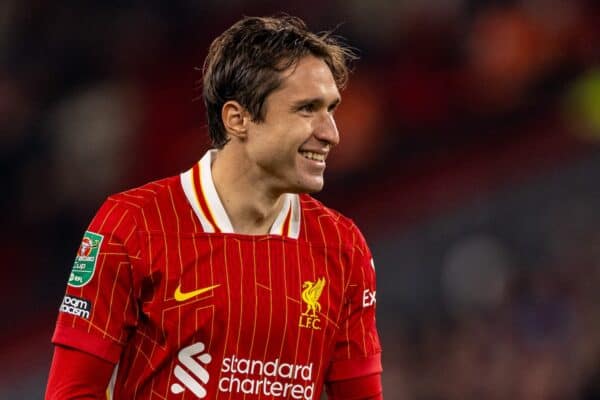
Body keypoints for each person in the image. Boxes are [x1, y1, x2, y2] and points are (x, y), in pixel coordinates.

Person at [45, 15, 382, 400]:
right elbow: (71, 392)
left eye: (331, 109)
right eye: (306, 109)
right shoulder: (132, 225)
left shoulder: (342, 246)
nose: (331, 133)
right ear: (238, 119)